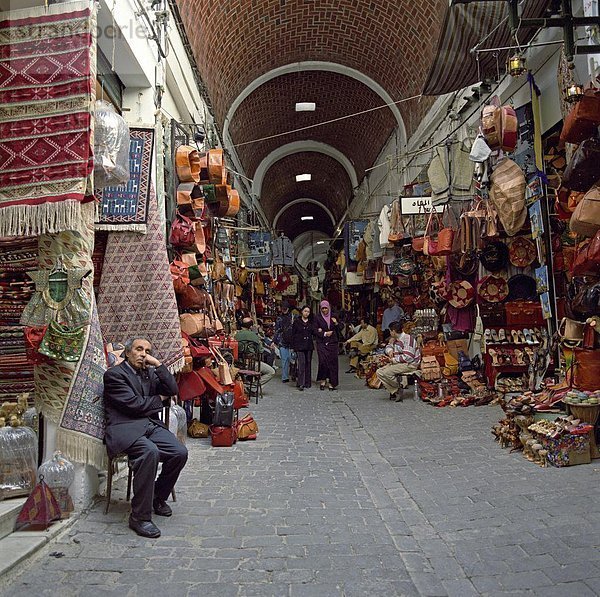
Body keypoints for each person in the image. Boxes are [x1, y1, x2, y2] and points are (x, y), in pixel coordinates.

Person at [103, 337, 188, 539]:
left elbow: (173, 391)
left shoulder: (149, 372)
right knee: (149, 452)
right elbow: (134, 405)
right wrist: (158, 399)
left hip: (148, 425)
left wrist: (158, 365)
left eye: (147, 351)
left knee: (179, 452)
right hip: (125, 428)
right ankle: (139, 517)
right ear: (128, 352)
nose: (143, 354)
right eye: (139, 349)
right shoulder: (114, 375)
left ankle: (157, 497)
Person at [376, 321, 421, 401]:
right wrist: (390, 350)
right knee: (379, 372)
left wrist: (393, 360)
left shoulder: (407, 339)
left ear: (393, 331)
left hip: (410, 364)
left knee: (387, 373)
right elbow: (388, 347)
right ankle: (396, 390)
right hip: (400, 363)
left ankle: (398, 388)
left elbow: (408, 357)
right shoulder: (395, 339)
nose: (390, 333)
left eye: (390, 331)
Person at [235, 317, 275, 385]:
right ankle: (254, 385)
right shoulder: (254, 336)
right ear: (250, 326)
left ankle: (246, 384)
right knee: (271, 372)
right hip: (251, 364)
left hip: (239, 363)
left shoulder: (236, 335)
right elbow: (260, 350)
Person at [314, 299, 340, 390]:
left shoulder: (334, 316)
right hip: (321, 342)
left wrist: (336, 323)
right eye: (323, 308)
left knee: (332, 362)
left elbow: (340, 328)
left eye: (326, 308)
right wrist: (324, 333)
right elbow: (315, 330)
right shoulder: (317, 318)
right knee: (323, 361)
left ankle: (332, 382)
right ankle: (323, 380)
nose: (324, 310)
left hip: (332, 342)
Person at [291, 305, 313, 391]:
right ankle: (301, 383)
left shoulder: (311, 322)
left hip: (308, 345)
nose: (306, 313)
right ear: (302, 312)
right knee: (301, 364)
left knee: (308, 364)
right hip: (299, 346)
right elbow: (293, 334)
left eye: (308, 312)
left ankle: (307, 382)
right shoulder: (297, 322)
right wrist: (293, 346)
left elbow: (313, 332)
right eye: (305, 311)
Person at [274, 300, 294, 383]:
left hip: (292, 341)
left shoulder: (293, 317)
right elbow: (277, 330)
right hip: (283, 341)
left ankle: (293, 372)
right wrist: (275, 341)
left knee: (291, 358)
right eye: (283, 308)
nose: (284, 310)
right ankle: (285, 377)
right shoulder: (279, 318)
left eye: (285, 309)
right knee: (284, 359)